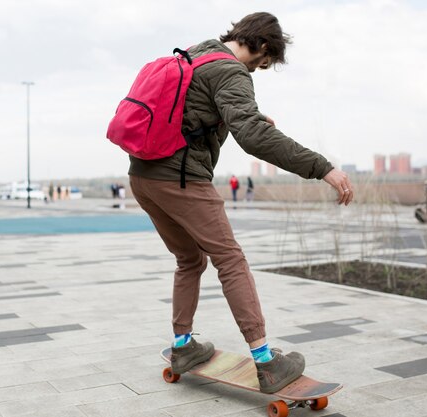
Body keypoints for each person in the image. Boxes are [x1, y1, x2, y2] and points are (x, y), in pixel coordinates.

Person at [127, 12, 354, 394]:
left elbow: (193, 114)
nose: (259, 70)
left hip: (142, 176)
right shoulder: (232, 72)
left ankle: (183, 347)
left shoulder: (197, 54)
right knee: (230, 259)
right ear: (263, 46)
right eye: (263, 64)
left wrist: (244, 117)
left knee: (190, 259)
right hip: (180, 179)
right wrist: (323, 168)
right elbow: (252, 137)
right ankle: (266, 362)